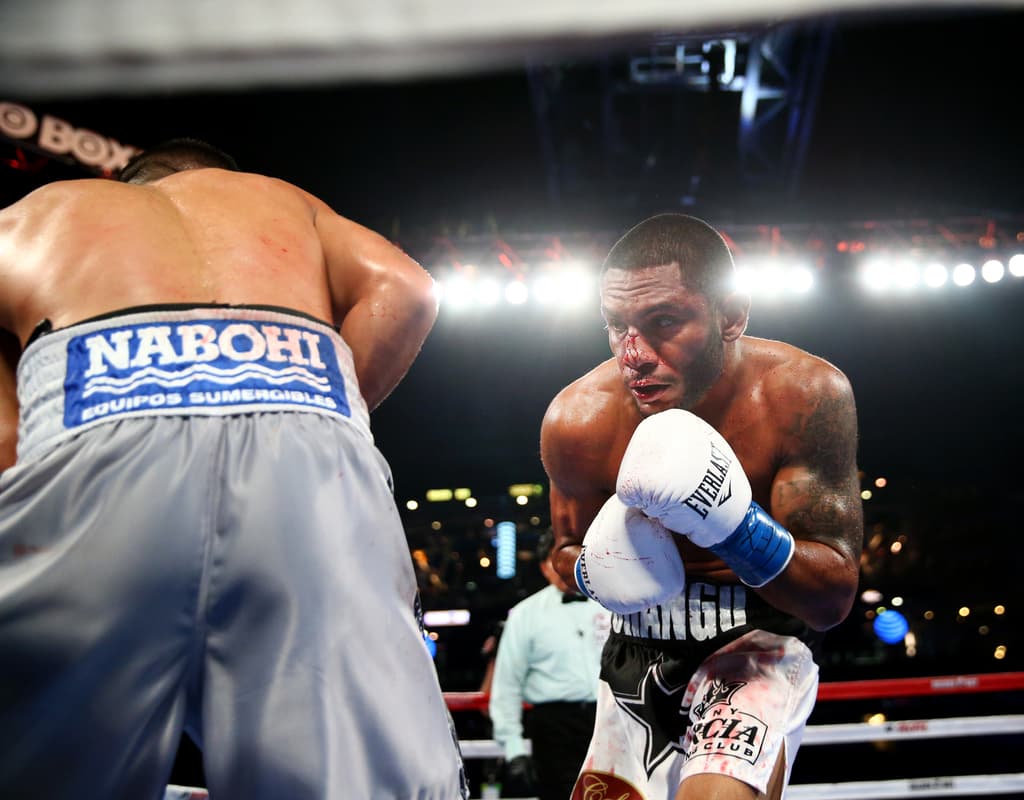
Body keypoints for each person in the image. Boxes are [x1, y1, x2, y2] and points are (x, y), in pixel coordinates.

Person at [0, 138, 467, 799]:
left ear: (128, 184)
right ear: (221, 179)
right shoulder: (279, 201)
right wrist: (327, 415)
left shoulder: (44, 210)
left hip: (96, 439)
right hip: (303, 455)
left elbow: (8, 445)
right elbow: (411, 289)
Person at [539, 212, 864, 800]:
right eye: (616, 326)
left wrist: (734, 527)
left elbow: (832, 597)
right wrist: (595, 568)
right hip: (636, 655)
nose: (632, 354)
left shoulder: (801, 395)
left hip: (759, 645)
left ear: (731, 315)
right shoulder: (578, 420)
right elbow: (561, 553)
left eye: (663, 322)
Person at [488, 531, 610, 800]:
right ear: (545, 567)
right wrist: (514, 749)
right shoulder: (524, 615)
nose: (567, 567)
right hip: (554, 730)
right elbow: (507, 685)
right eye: (560, 560)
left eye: (573, 558)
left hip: (611, 720)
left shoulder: (612, 604)